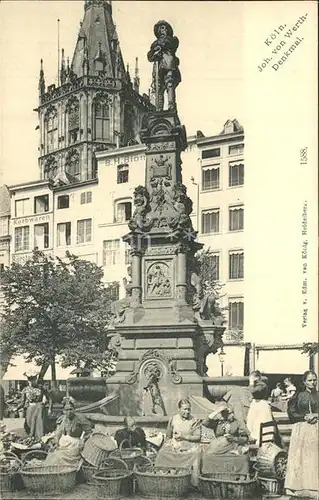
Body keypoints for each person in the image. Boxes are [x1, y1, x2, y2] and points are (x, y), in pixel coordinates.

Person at [285, 370, 319, 498]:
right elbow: (291, 412)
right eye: (310, 380)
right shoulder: (298, 396)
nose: (313, 382)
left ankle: (314, 486)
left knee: (314, 456)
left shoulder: (318, 395)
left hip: (316, 428)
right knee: (300, 457)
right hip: (302, 429)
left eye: (314, 380)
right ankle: (299, 486)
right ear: (304, 382)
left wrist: (316, 415)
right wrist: (304, 417)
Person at [155, 399, 201, 487]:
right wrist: (168, 444)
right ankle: (163, 479)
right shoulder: (173, 419)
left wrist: (184, 437)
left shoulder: (194, 420)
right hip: (174, 444)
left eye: (189, 409)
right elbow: (168, 435)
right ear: (179, 409)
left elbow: (198, 437)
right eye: (184, 409)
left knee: (196, 454)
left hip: (188, 444)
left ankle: (190, 483)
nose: (187, 412)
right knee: (162, 453)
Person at [16, 369, 48, 439]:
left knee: (39, 427)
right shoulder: (25, 390)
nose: (31, 381)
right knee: (29, 427)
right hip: (30, 410)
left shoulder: (41, 388)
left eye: (33, 379)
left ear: (36, 379)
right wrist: (16, 408)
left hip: (39, 409)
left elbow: (48, 397)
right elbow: (22, 402)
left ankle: (40, 439)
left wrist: (45, 402)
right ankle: (31, 439)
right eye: (29, 380)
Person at [246, 370, 273, 446]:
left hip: (261, 406)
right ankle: (254, 441)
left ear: (257, 377)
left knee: (259, 424)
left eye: (252, 377)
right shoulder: (256, 384)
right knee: (252, 423)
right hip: (255, 405)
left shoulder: (262, 384)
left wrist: (251, 382)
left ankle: (261, 443)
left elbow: (253, 391)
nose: (250, 379)